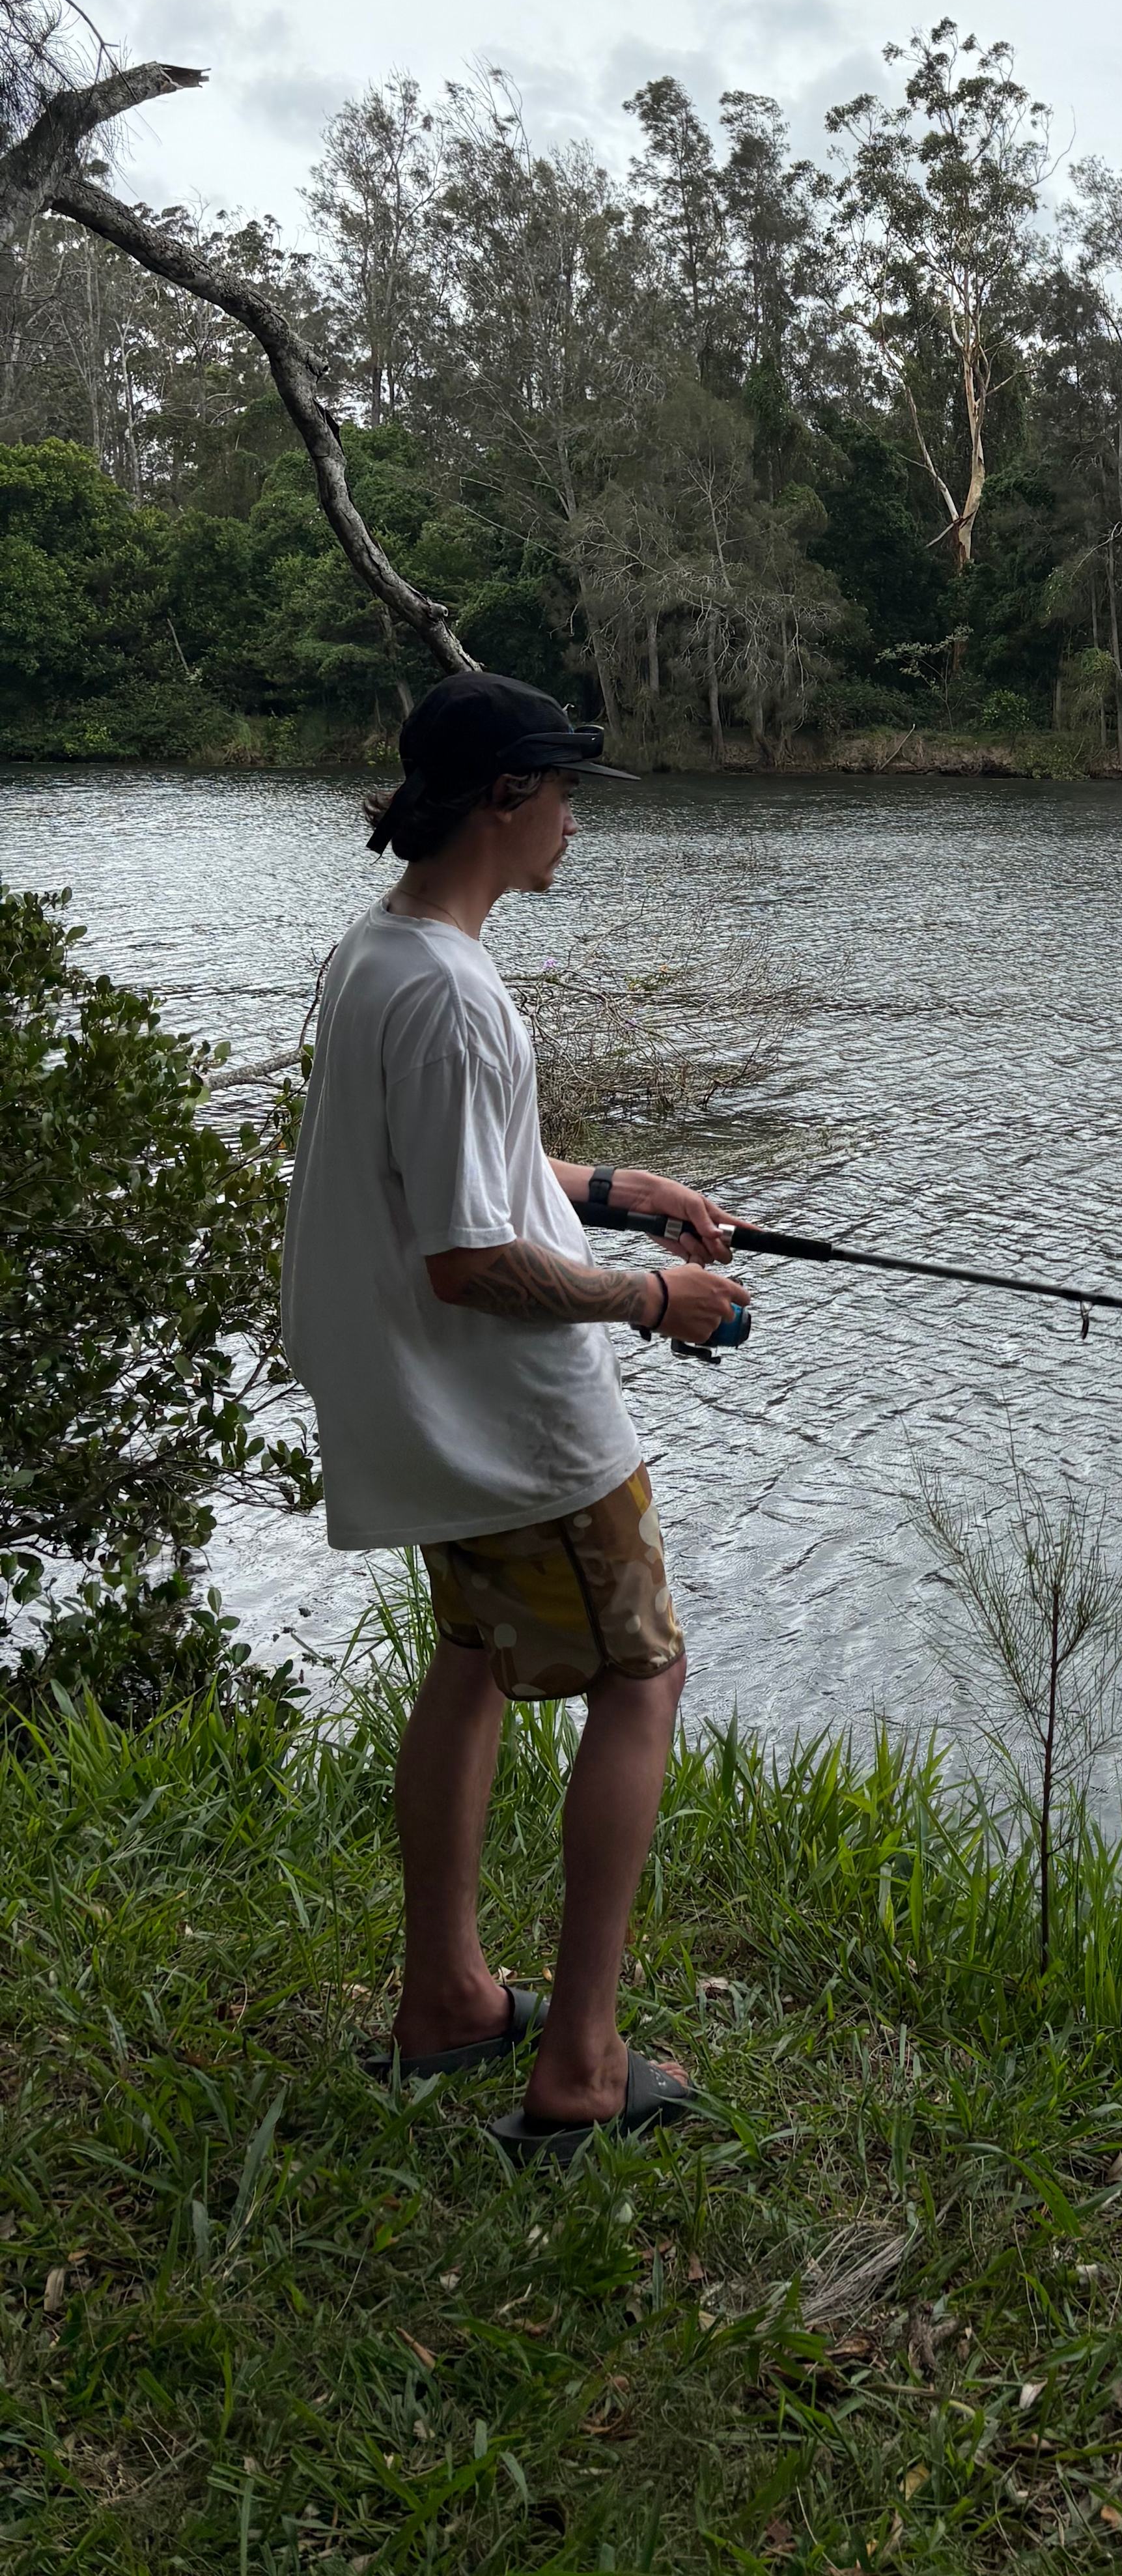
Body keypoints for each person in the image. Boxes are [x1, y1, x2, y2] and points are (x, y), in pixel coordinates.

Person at [281, 671, 751, 2157]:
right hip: (522, 1426)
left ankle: (446, 2000)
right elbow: (475, 1260)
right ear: (503, 799)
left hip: (433, 1415)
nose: (569, 828)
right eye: (559, 798)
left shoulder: (385, 957)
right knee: (644, 1679)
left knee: (478, 1658)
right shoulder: (450, 993)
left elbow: (478, 1178)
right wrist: (652, 1298)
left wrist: (623, 1192)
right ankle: (581, 2068)